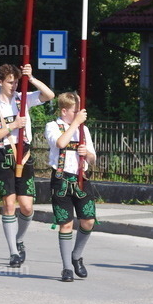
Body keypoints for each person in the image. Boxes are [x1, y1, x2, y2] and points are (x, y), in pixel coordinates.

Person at [0, 63, 55, 267]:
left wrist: (30, 79)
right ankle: (13, 253)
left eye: (16, 82)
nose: (14, 86)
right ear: (0, 82)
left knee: (27, 206)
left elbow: (49, 95)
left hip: (24, 153)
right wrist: (13, 126)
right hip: (4, 154)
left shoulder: (23, 99)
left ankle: (19, 238)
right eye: (10, 82)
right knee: (8, 204)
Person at [44, 92, 97, 282]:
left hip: (81, 178)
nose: (79, 114)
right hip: (61, 178)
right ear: (64, 110)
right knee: (65, 223)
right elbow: (60, 143)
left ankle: (77, 255)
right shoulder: (52, 126)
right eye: (75, 111)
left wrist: (87, 153)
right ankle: (66, 267)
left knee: (88, 221)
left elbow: (93, 158)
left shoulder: (84, 130)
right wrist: (75, 124)